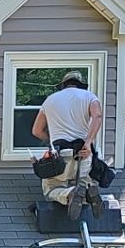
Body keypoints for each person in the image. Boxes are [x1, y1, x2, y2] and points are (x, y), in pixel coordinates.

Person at [30, 72, 112, 204]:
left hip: (60, 156)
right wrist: (88, 142)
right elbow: (97, 116)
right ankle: (88, 195)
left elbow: (37, 131)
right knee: (85, 185)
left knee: (51, 189)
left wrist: (52, 140)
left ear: (63, 85)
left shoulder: (50, 100)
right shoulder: (90, 97)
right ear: (80, 85)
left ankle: (69, 194)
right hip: (84, 153)